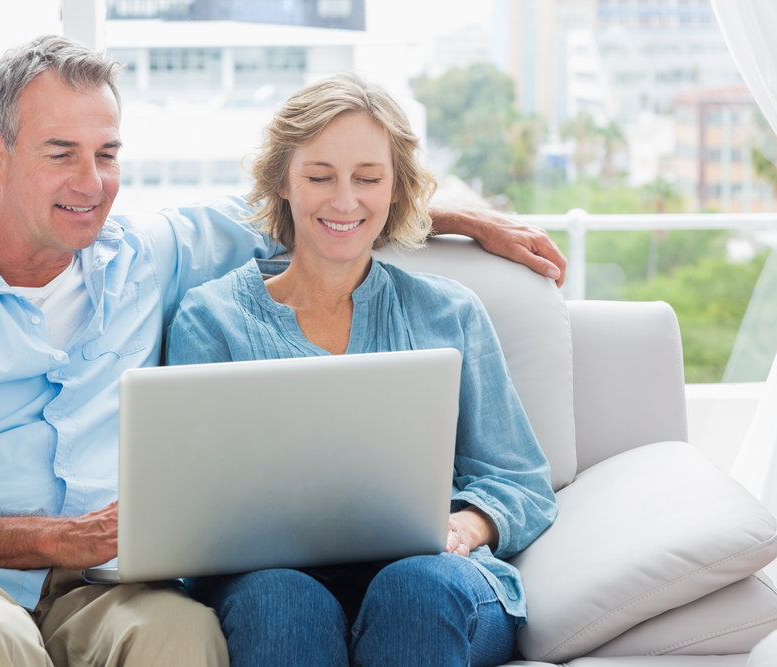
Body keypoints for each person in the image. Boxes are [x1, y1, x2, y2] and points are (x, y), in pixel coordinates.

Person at [0, 36, 564, 667]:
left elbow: (322, 212)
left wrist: (455, 217)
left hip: (97, 586)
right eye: (62, 154)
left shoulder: (141, 258)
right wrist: (59, 537)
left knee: (183, 635)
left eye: (107, 154)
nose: (92, 184)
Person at [165, 72, 558, 666]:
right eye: (320, 177)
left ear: (397, 188)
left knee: (415, 588)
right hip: (272, 584)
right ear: (283, 182)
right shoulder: (210, 320)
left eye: (368, 179)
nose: (345, 201)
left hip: (434, 586)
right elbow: (192, 505)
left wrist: (468, 528)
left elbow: (521, 481)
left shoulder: (450, 313)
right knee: (280, 600)